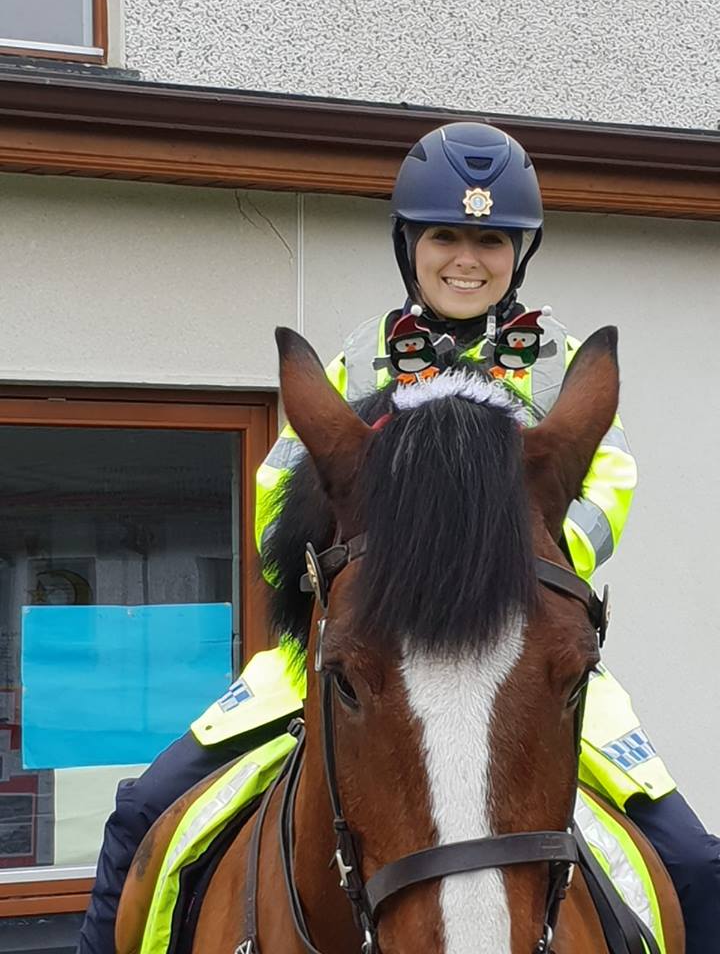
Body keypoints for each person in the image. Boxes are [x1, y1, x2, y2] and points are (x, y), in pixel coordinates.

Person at [78, 123, 720, 953]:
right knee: (142, 814)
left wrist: (499, 573)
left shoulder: (557, 365)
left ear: (517, 254)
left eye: (490, 240)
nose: (466, 258)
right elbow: (281, 486)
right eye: (444, 236)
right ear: (408, 244)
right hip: (357, 632)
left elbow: (606, 489)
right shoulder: (360, 358)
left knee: (694, 862)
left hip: (514, 645)